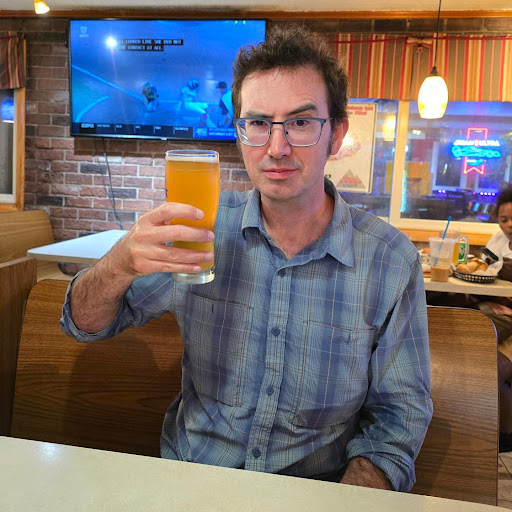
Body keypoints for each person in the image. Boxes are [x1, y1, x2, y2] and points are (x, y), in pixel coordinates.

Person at [61, 26, 432, 492]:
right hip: (191, 483)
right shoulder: (199, 229)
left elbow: (398, 418)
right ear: (239, 133)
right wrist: (120, 263)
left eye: (300, 123)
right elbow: (84, 323)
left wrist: (345, 500)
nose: (276, 148)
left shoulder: (390, 260)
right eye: (258, 123)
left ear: (336, 134)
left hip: (311, 494)